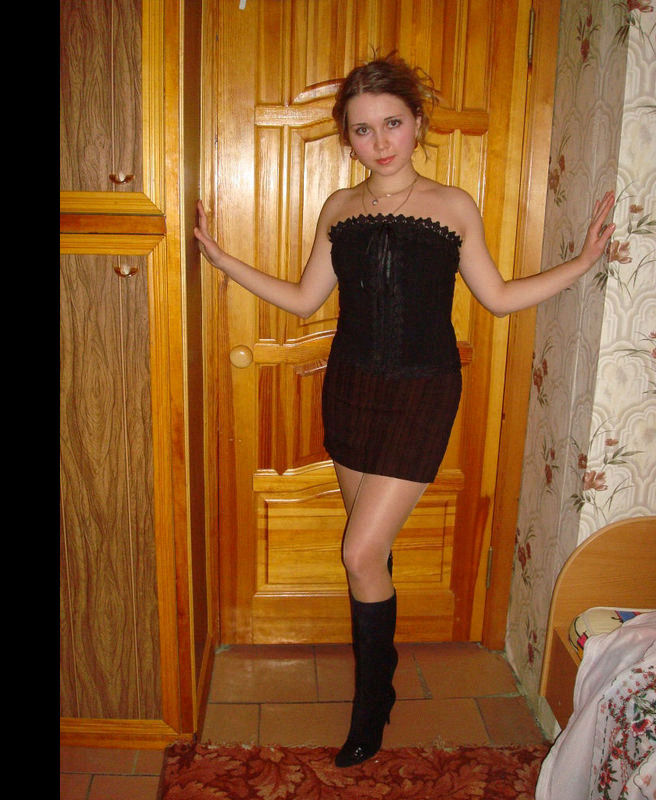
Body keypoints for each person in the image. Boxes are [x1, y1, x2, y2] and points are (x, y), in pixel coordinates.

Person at [194, 53, 615, 768]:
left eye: (392, 123)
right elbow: (304, 299)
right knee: (373, 548)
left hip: (423, 390)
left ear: (417, 123)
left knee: (358, 552)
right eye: (363, 130)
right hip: (351, 388)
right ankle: (381, 683)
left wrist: (580, 264)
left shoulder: (452, 205)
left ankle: (371, 704)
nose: (380, 141)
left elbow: (496, 297)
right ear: (348, 138)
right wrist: (222, 258)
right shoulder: (339, 208)